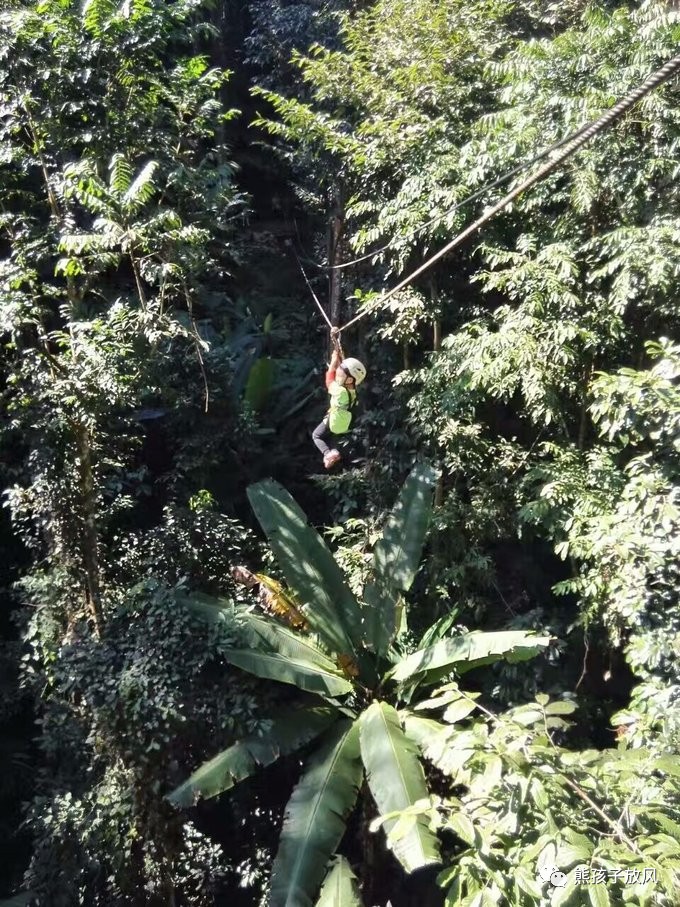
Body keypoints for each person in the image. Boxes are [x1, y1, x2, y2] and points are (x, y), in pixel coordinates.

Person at [312, 327, 366, 469]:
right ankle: (335, 451)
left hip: (335, 421)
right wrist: (336, 344)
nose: (338, 374)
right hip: (344, 423)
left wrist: (333, 360)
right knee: (335, 437)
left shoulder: (340, 391)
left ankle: (327, 453)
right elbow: (343, 364)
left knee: (316, 436)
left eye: (342, 375)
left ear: (349, 380)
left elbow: (329, 379)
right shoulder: (352, 389)